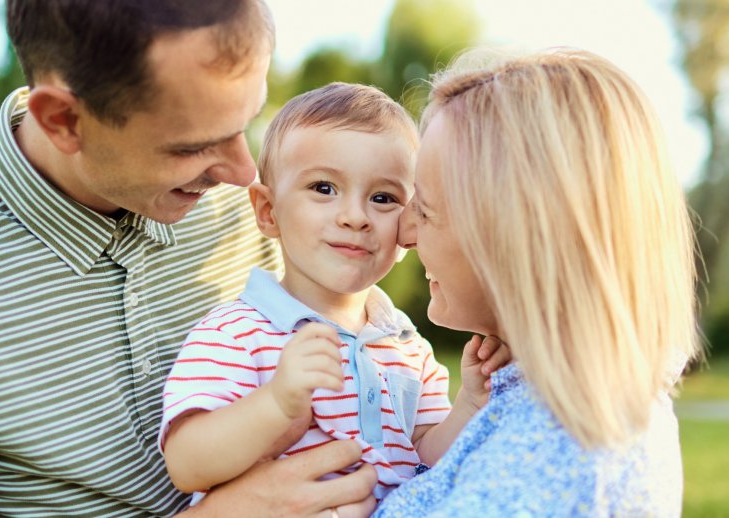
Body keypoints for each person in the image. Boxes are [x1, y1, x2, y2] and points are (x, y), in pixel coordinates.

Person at [0, 1, 375, 515]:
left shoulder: (244, 217)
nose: (241, 172)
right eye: (191, 146)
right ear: (63, 120)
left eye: (246, 123)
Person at [375, 47, 701, 516]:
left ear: (513, 239)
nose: (403, 233)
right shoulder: (553, 414)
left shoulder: (551, 463)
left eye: (424, 211)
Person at [158, 83, 510, 513]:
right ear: (268, 211)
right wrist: (277, 402)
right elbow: (187, 463)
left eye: (383, 198)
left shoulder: (406, 346)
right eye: (324, 188)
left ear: (409, 224)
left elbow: (426, 456)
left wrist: (470, 404)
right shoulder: (235, 333)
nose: (354, 217)